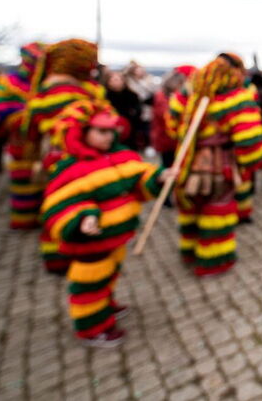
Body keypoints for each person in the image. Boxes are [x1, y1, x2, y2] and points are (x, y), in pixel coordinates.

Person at [39, 100, 168, 347]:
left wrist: (158, 176)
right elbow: (58, 206)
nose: (109, 136)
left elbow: (138, 180)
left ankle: (106, 305)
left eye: (111, 130)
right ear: (81, 132)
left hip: (115, 239)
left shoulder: (121, 156)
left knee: (109, 274)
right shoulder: (70, 168)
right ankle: (92, 327)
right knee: (89, 284)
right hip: (92, 242)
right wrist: (84, 218)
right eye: (101, 131)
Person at [168, 53, 262, 274]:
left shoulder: (192, 98)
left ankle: (190, 250)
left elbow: (173, 126)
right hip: (218, 163)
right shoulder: (237, 99)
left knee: (193, 206)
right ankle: (214, 258)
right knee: (216, 208)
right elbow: (249, 140)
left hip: (191, 160)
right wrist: (249, 165)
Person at [26, 39, 104, 274]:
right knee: (73, 205)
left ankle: (55, 255)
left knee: (55, 205)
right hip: (73, 158)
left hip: (52, 157)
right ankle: (70, 255)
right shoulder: (72, 93)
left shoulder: (43, 91)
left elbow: (32, 129)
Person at [0, 43, 47, 226]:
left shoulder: (47, 82)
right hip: (21, 139)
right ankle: (24, 217)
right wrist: (21, 115)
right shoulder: (10, 81)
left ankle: (43, 214)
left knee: (45, 176)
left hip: (43, 138)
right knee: (23, 177)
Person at [103, 70, 141, 149]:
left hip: (130, 130)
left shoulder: (132, 96)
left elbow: (138, 112)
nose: (116, 82)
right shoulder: (105, 97)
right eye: (113, 80)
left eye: (118, 79)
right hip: (111, 127)